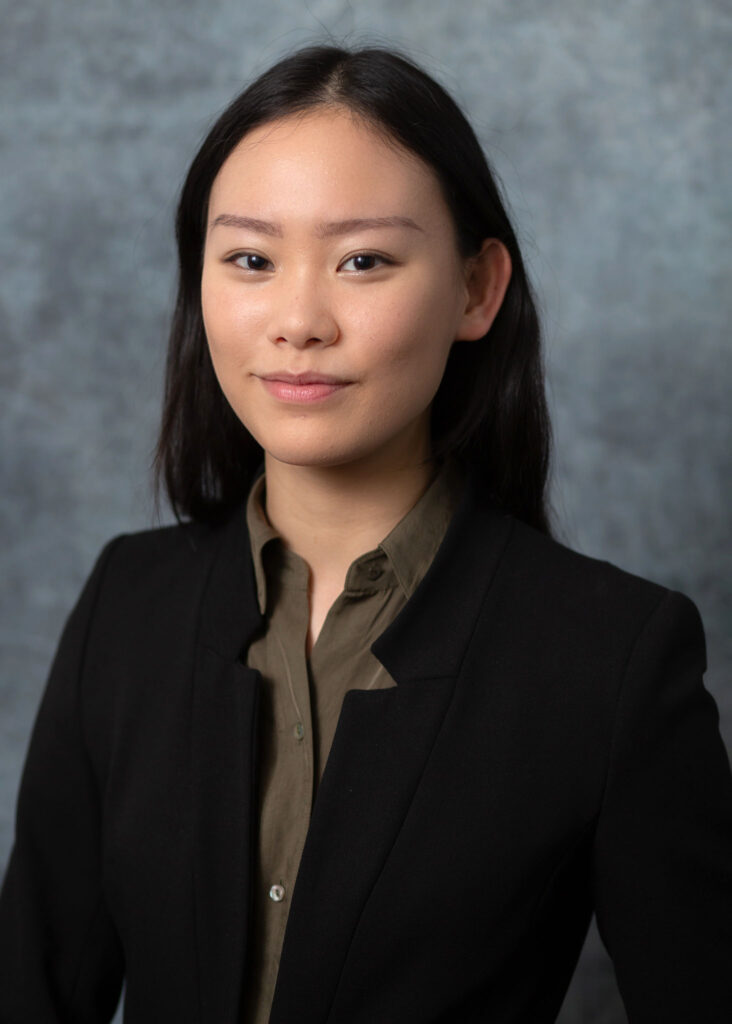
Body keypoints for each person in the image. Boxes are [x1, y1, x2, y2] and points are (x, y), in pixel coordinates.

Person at [0, 43, 730, 1024]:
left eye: (364, 261)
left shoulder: (613, 658)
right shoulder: (126, 606)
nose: (299, 320)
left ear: (477, 289)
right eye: (251, 259)